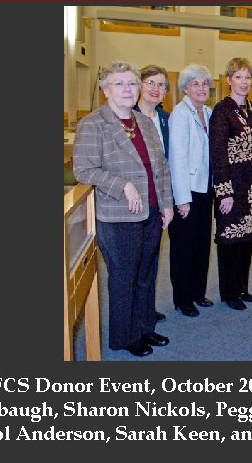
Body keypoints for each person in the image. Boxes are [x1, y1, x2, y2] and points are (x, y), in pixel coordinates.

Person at [73, 60, 174, 357]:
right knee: (123, 278)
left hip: (152, 212)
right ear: (106, 90)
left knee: (146, 274)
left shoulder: (144, 121)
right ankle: (124, 337)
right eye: (120, 84)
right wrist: (121, 185)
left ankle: (144, 327)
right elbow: (84, 170)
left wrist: (166, 204)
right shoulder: (93, 124)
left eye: (132, 83)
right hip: (117, 215)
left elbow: (162, 168)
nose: (128, 89)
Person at [210, 57, 252, 311]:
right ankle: (228, 291)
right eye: (238, 77)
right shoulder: (221, 111)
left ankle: (242, 287)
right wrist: (223, 192)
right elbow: (218, 153)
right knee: (231, 239)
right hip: (232, 187)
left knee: (247, 237)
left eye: (248, 77)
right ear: (228, 81)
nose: (244, 82)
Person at [167, 64, 215, 317]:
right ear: (185, 88)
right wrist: (182, 199)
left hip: (205, 188)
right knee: (183, 246)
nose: (201, 88)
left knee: (201, 244)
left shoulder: (208, 112)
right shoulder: (180, 113)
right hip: (187, 191)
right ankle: (182, 298)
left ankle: (198, 292)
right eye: (195, 84)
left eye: (205, 83)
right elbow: (177, 158)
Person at [134, 64, 170, 323]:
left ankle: (147, 311)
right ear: (139, 85)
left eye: (161, 85)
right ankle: (136, 317)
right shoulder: (127, 117)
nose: (156, 89)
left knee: (151, 262)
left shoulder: (165, 119)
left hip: (158, 198)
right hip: (133, 201)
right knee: (134, 266)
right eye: (151, 83)